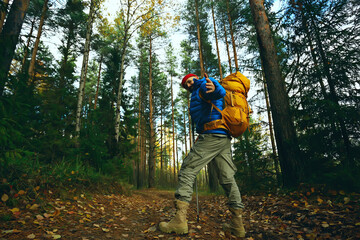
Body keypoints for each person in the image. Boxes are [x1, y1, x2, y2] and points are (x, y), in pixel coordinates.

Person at [158, 73, 246, 237]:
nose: (189, 84)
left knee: (187, 169)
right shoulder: (198, 91)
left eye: (190, 80)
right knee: (227, 178)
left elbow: (217, 92)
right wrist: (201, 131)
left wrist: (214, 88)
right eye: (186, 84)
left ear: (196, 78)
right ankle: (237, 225)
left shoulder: (203, 85)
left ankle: (179, 219)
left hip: (212, 135)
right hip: (221, 136)